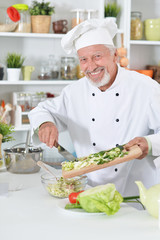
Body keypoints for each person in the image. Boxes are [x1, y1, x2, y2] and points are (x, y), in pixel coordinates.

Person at [28, 18, 160, 197]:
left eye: (97, 56)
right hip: (87, 192)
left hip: (135, 195)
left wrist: (150, 144)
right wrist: (45, 124)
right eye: (83, 59)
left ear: (115, 56)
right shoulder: (74, 92)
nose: (90, 66)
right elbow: (42, 110)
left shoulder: (146, 88)